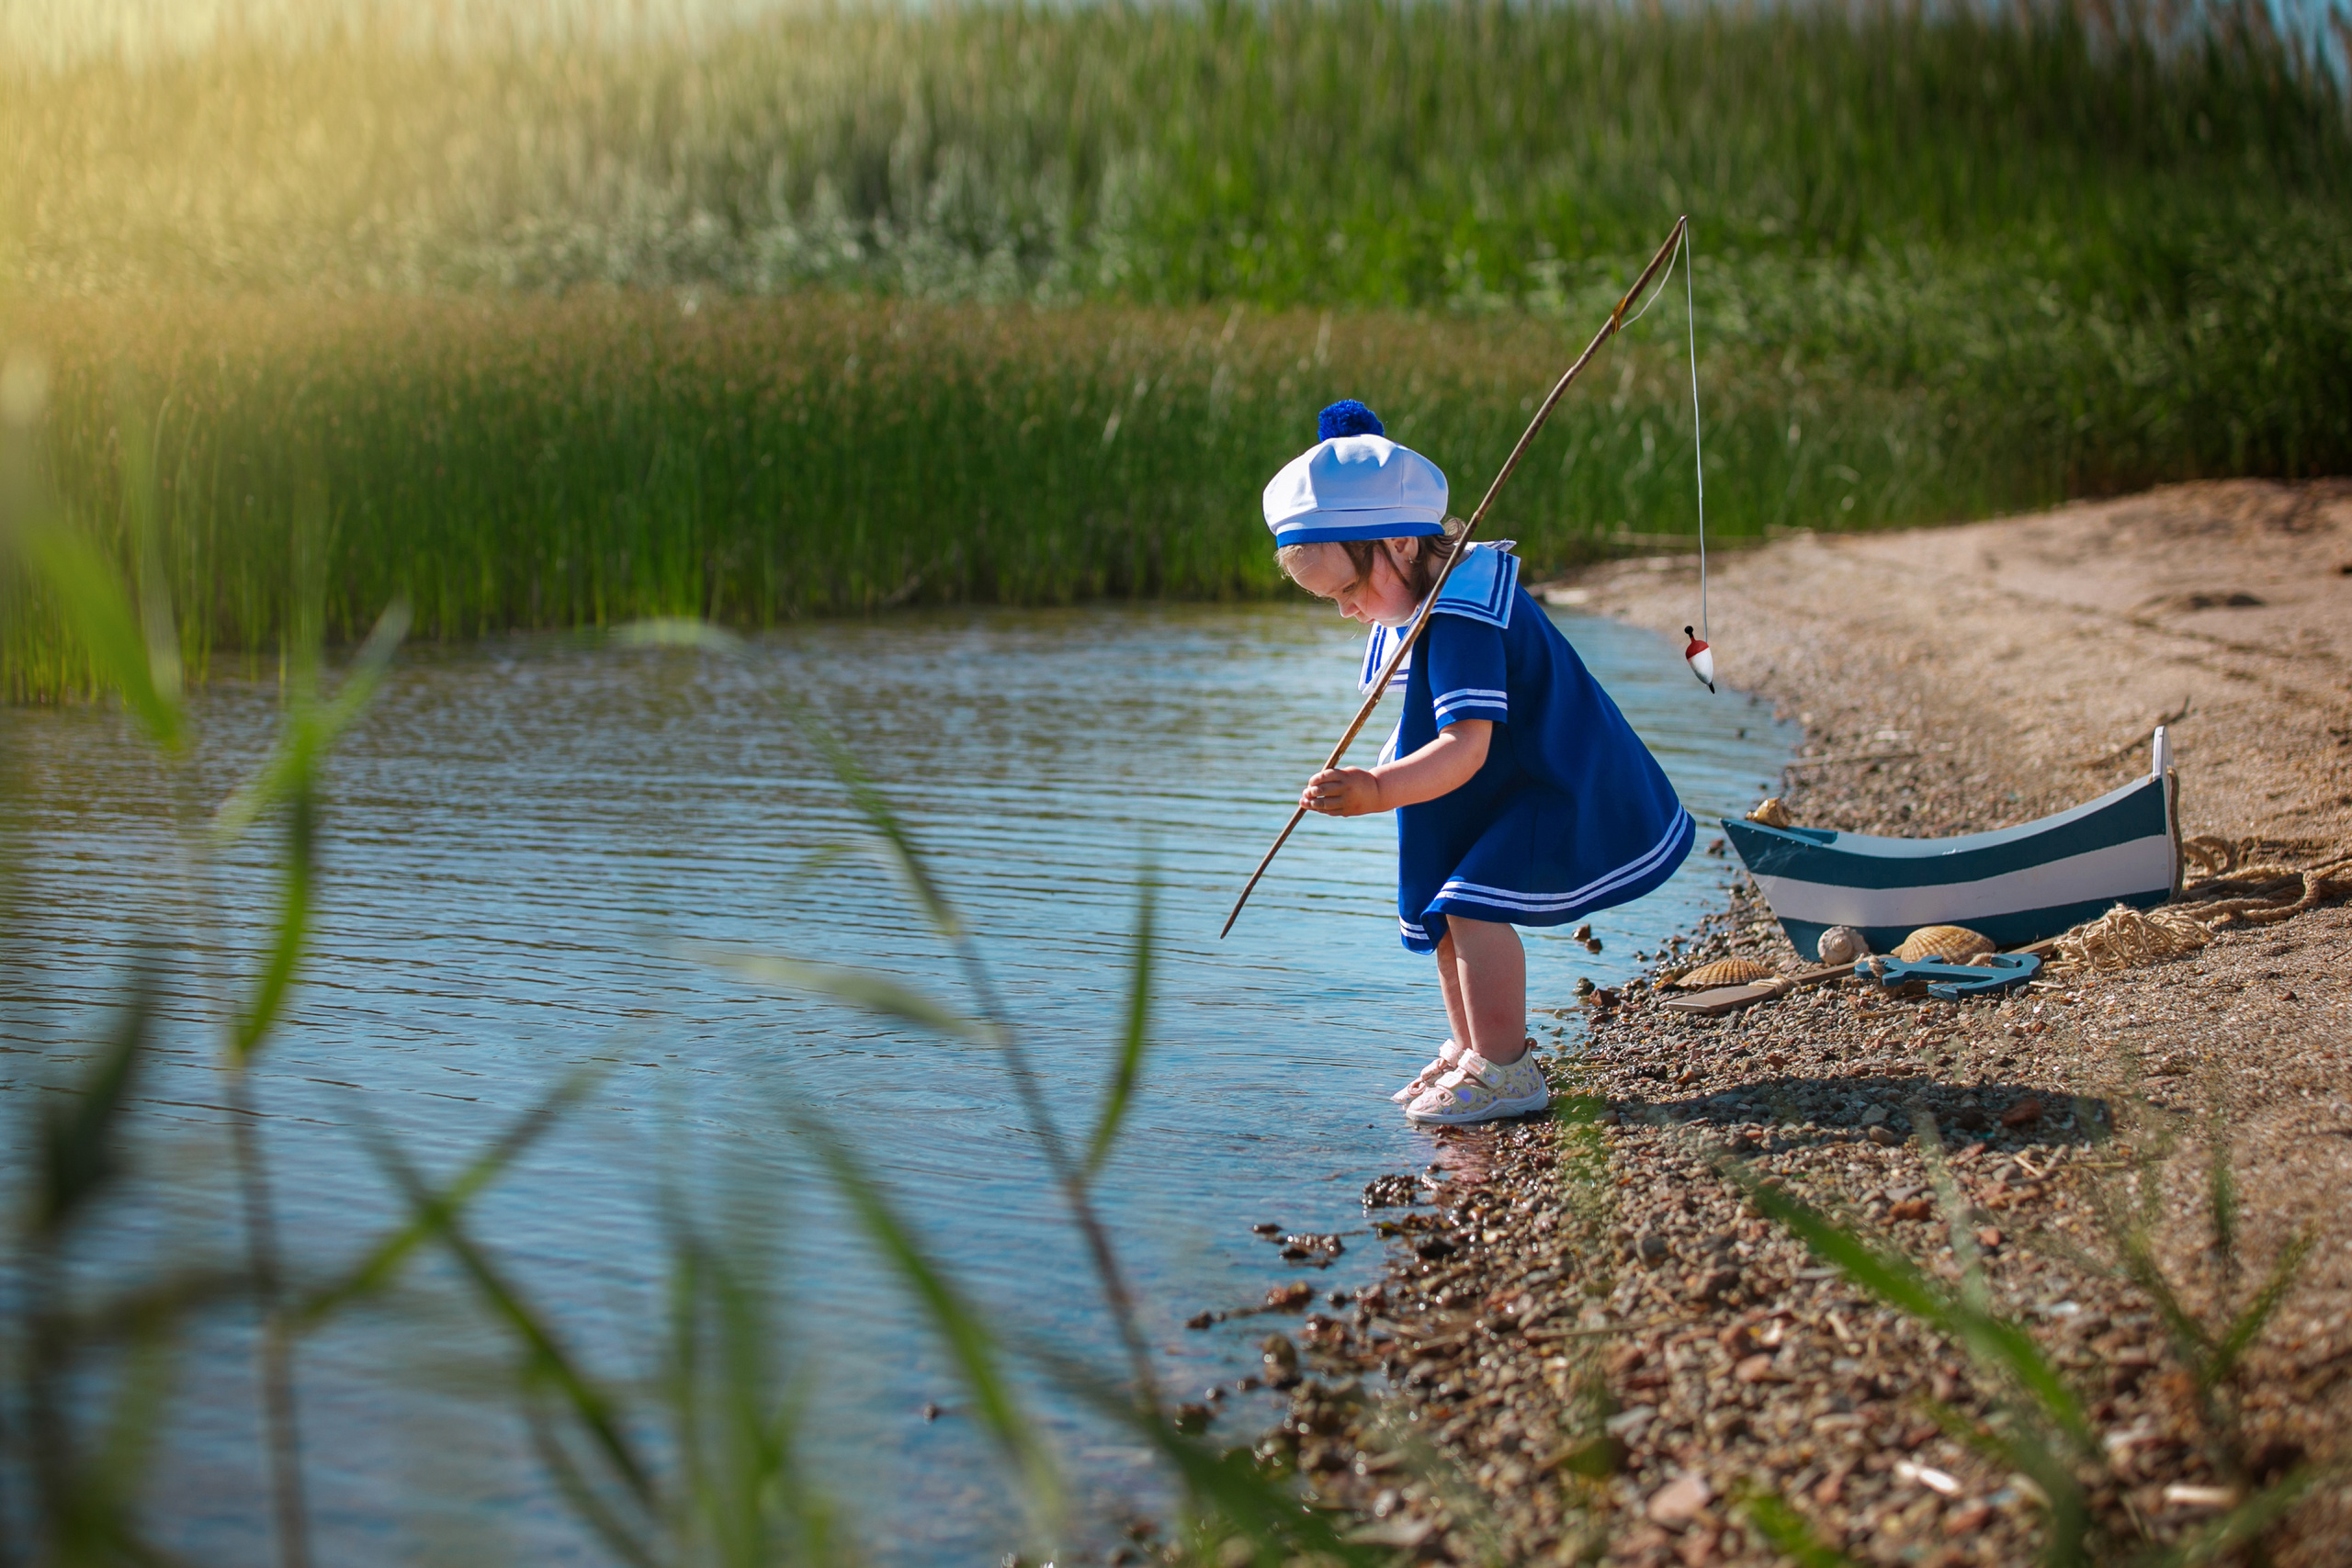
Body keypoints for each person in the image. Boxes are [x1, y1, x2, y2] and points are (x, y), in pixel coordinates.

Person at [1265, 400, 1694, 1124]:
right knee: (1443, 903)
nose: (1345, 611)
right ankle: (1473, 1050)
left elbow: (1467, 744)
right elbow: (1422, 718)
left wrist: (1376, 788)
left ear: (1401, 540)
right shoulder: (1419, 599)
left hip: (1545, 778)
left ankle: (1507, 1068)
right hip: (1496, 785)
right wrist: (1388, 763)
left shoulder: (1462, 611)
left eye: (1346, 591)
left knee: (1471, 901)